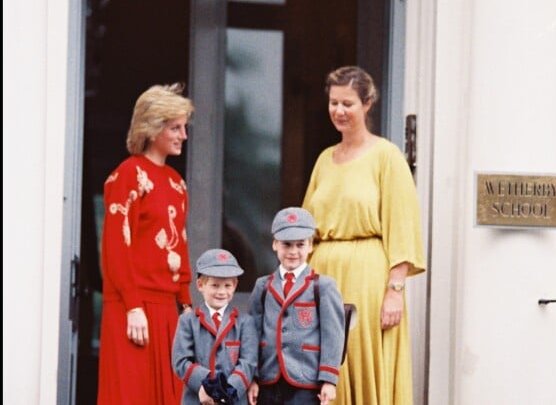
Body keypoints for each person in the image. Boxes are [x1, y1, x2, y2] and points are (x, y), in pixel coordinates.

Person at [302, 65, 426, 405]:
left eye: (348, 103)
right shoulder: (324, 160)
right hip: (323, 276)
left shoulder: (386, 156)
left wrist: (395, 290)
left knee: (358, 357)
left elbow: (402, 225)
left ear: (367, 103)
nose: (339, 111)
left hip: (367, 278)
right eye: (334, 103)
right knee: (323, 366)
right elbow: (305, 228)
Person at [97, 82, 195, 405]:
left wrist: (186, 307)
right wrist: (134, 306)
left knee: (170, 396)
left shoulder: (177, 184)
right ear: (153, 129)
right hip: (131, 308)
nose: (183, 135)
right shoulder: (128, 175)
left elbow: (179, 246)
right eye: (175, 128)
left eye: (184, 127)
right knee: (130, 395)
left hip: (167, 310)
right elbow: (115, 247)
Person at [247, 207, 345, 405]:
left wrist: (329, 380)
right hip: (269, 378)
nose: (293, 252)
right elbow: (252, 334)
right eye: (286, 244)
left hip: (306, 380)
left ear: (310, 246)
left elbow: (333, 335)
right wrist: (253, 377)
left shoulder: (323, 286)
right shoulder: (263, 286)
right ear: (275, 245)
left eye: (300, 245)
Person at [172, 248, 258, 405]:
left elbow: (248, 363)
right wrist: (207, 386)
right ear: (200, 285)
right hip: (197, 398)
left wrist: (225, 392)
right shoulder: (188, 322)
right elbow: (181, 361)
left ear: (235, 285)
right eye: (215, 285)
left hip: (233, 400)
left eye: (227, 285)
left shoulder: (245, 322)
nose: (221, 292)